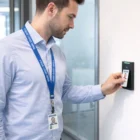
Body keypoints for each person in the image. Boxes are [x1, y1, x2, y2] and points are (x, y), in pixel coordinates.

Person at [0, 0, 125, 139]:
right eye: (70, 17)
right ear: (51, 9)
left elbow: (66, 91)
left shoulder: (57, 53)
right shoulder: (7, 49)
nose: (72, 25)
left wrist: (102, 89)